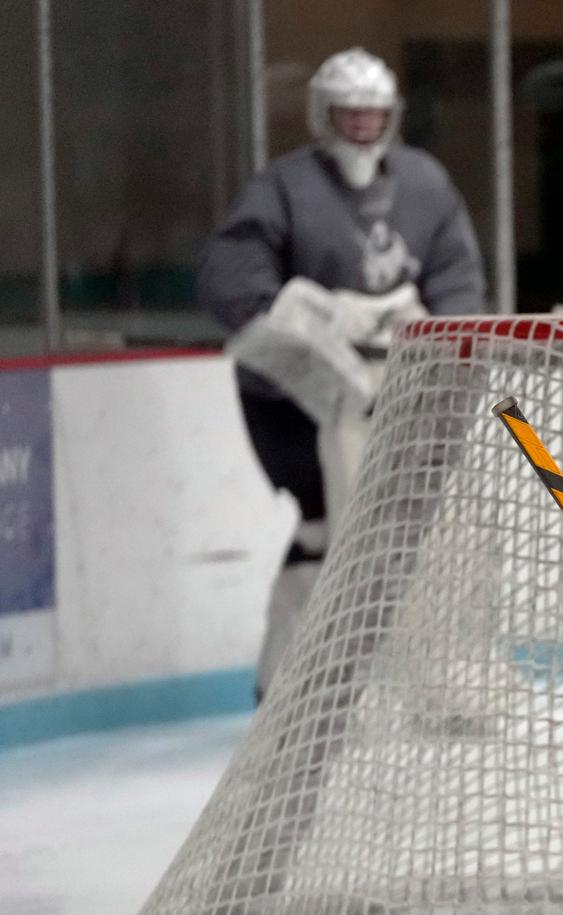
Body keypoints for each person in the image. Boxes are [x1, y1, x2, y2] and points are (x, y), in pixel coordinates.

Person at [197, 48, 486, 694]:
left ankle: (442, 680)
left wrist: (434, 341)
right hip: (292, 402)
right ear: (321, 115)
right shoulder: (282, 188)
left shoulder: (425, 184)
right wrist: (306, 319)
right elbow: (231, 280)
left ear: (393, 116)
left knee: (434, 530)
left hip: (399, 389)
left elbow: (459, 282)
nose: (361, 126)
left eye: (373, 114)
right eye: (348, 114)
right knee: (325, 529)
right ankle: (290, 689)